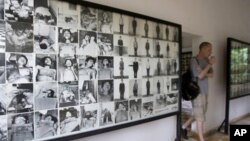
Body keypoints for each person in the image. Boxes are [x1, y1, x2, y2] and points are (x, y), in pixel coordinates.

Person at [181, 42, 216, 141]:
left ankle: (183, 127)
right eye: (209, 50)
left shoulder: (206, 60)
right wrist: (208, 66)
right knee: (200, 117)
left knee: (200, 113)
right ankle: (201, 139)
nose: (210, 52)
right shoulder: (194, 60)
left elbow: (212, 74)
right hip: (197, 92)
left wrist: (204, 71)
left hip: (205, 91)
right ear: (203, 49)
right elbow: (200, 76)